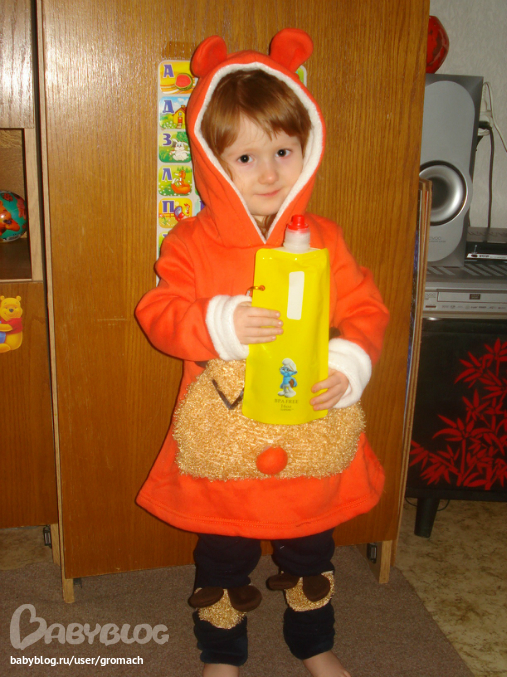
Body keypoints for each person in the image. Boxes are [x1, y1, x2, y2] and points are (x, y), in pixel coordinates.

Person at [136, 29, 389, 677]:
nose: (270, 172)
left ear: (308, 147)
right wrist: (219, 322)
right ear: (213, 162)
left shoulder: (324, 239)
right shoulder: (190, 242)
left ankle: (314, 644)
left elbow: (366, 311)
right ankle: (222, 654)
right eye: (246, 157)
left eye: (282, 150)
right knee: (222, 558)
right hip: (225, 445)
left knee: (311, 554)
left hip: (308, 435)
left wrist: (348, 363)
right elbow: (158, 314)